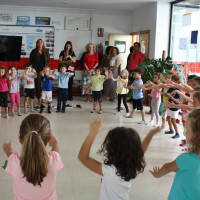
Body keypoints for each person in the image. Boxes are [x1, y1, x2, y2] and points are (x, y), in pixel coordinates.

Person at [78, 115, 161, 200]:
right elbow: (141, 150)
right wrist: (151, 134)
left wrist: (93, 133)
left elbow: (83, 157)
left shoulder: (110, 171)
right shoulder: (132, 165)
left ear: (113, 149)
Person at [3, 114, 63, 200]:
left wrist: (8, 149)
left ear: (20, 140)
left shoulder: (14, 161)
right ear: (49, 138)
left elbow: (10, 154)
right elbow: (56, 151)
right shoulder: (54, 161)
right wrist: (55, 143)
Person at [150, 109, 200, 200]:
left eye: (187, 131)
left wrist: (157, 174)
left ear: (196, 136)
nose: (184, 133)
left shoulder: (186, 159)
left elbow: (167, 167)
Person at [30, 39, 50, 109]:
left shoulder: (46, 51)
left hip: (44, 70)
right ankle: (39, 98)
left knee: (46, 84)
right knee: (38, 85)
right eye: (39, 42)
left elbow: (48, 60)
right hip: (37, 70)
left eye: (41, 42)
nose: (40, 43)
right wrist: (33, 69)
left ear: (43, 43)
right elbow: (31, 61)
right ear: (37, 44)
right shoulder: (34, 51)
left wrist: (45, 70)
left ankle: (46, 98)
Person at [165, 74, 181, 139]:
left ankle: (177, 133)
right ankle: (171, 130)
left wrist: (171, 98)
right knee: (168, 118)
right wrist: (167, 94)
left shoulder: (178, 90)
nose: (170, 81)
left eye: (172, 80)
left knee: (173, 120)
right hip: (169, 106)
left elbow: (178, 101)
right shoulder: (171, 88)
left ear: (176, 82)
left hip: (175, 108)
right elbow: (167, 94)